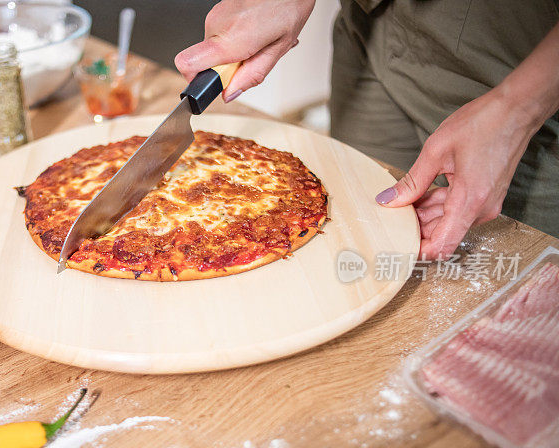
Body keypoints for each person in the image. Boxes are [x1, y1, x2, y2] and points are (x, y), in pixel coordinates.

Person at [175, 0, 559, 260]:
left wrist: (517, 109)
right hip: (372, 26)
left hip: (522, 67)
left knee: (510, 284)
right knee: (357, 246)